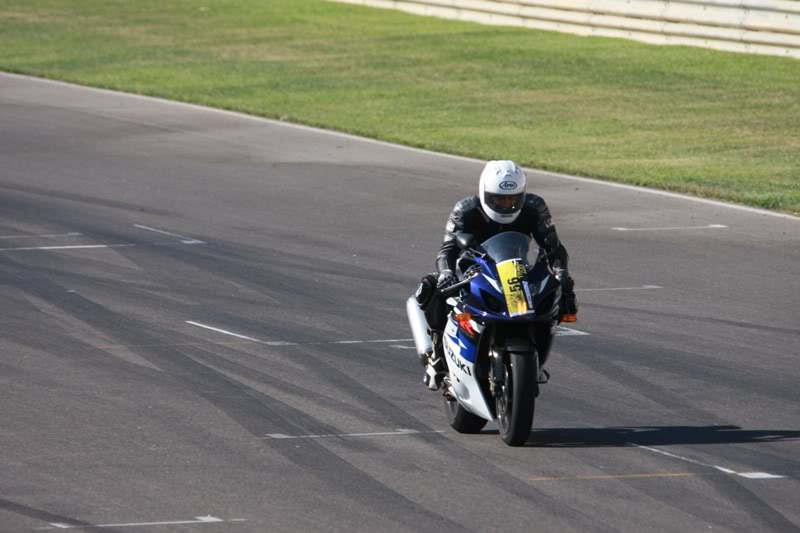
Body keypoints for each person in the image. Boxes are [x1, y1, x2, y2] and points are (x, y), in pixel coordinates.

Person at [414, 160, 578, 390]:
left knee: (563, 293)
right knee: (430, 287)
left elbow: (554, 247)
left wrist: (562, 273)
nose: (506, 204)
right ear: (484, 193)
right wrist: (446, 273)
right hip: (474, 269)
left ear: (522, 194)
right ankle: (437, 354)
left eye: (513, 198)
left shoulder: (535, 207)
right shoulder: (465, 210)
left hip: (517, 268)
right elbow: (448, 250)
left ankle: (537, 357)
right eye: (499, 198)